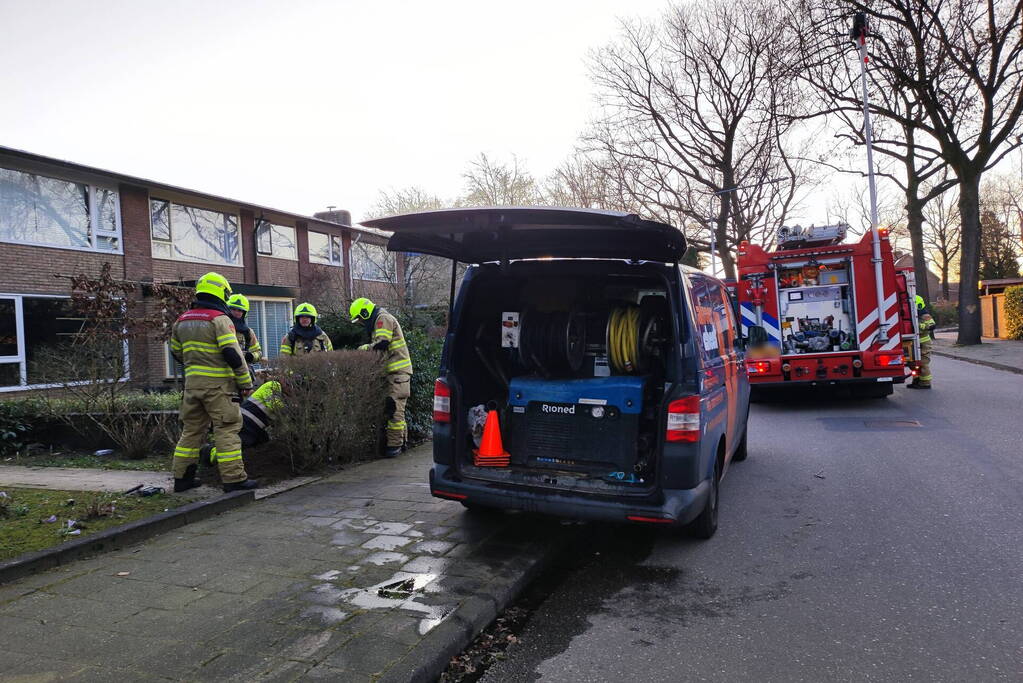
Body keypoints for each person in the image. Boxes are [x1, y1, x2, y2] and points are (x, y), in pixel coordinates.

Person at [169, 272, 258, 493]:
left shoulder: (182, 320)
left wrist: (196, 365)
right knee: (227, 429)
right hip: (219, 388)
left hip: (192, 387)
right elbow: (232, 354)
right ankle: (234, 480)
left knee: (191, 431)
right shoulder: (220, 320)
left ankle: (182, 479)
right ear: (220, 292)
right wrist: (245, 383)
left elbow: (176, 352)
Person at [350, 297, 413, 457]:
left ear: (365, 313)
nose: (361, 323)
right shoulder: (380, 319)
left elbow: (382, 344)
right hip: (395, 373)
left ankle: (394, 446)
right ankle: (401, 443)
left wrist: (364, 348)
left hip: (398, 373)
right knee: (396, 409)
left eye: (360, 319)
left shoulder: (382, 319)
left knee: (394, 409)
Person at [202, 380, 281, 467]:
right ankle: (210, 452)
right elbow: (274, 406)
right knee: (239, 444)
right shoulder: (273, 385)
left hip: (256, 427)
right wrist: (289, 407)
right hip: (245, 421)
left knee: (262, 444)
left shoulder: (285, 396)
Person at [227, 294, 262, 383]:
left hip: (242, 375)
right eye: (233, 309)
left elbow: (258, 353)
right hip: (224, 374)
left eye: (240, 310)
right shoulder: (221, 327)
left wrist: (251, 356)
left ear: (244, 313)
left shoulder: (248, 332)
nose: (236, 312)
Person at [908, 295, 935, 390]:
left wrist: (921, 326)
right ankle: (916, 380)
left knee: (923, 363)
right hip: (913, 343)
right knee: (912, 364)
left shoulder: (925, 316)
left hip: (924, 344)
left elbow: (932, 325)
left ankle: (925, 383)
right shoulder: (909, 315)